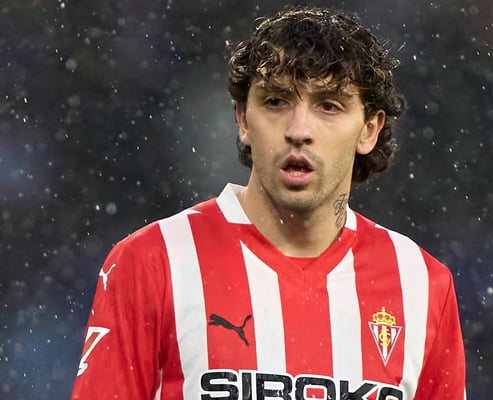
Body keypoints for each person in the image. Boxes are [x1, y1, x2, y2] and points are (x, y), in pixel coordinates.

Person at [71, 5, 466, 400]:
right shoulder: (153, 261)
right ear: (243, 119)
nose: (299, 130)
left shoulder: (421, 284)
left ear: (369, 130)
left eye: (329, 105)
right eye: (276, 101)